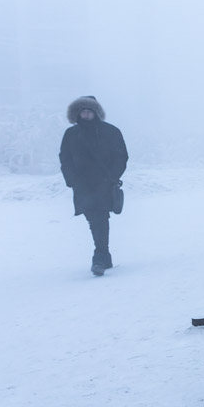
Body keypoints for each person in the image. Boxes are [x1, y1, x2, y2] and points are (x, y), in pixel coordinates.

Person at [58, 95, 129, 277]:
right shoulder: (71, 134)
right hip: (82, 185)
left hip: (104, 183)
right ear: (77, 113)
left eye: (90, 111)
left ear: (96, 113)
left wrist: (112, 177)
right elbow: (64, 158)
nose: (86, 114)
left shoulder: (110, 131)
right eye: (83, 111)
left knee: (100, 218)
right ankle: (104, 255)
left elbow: (121, 156)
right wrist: (71, 179)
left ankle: (99, 257)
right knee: (94, 219)